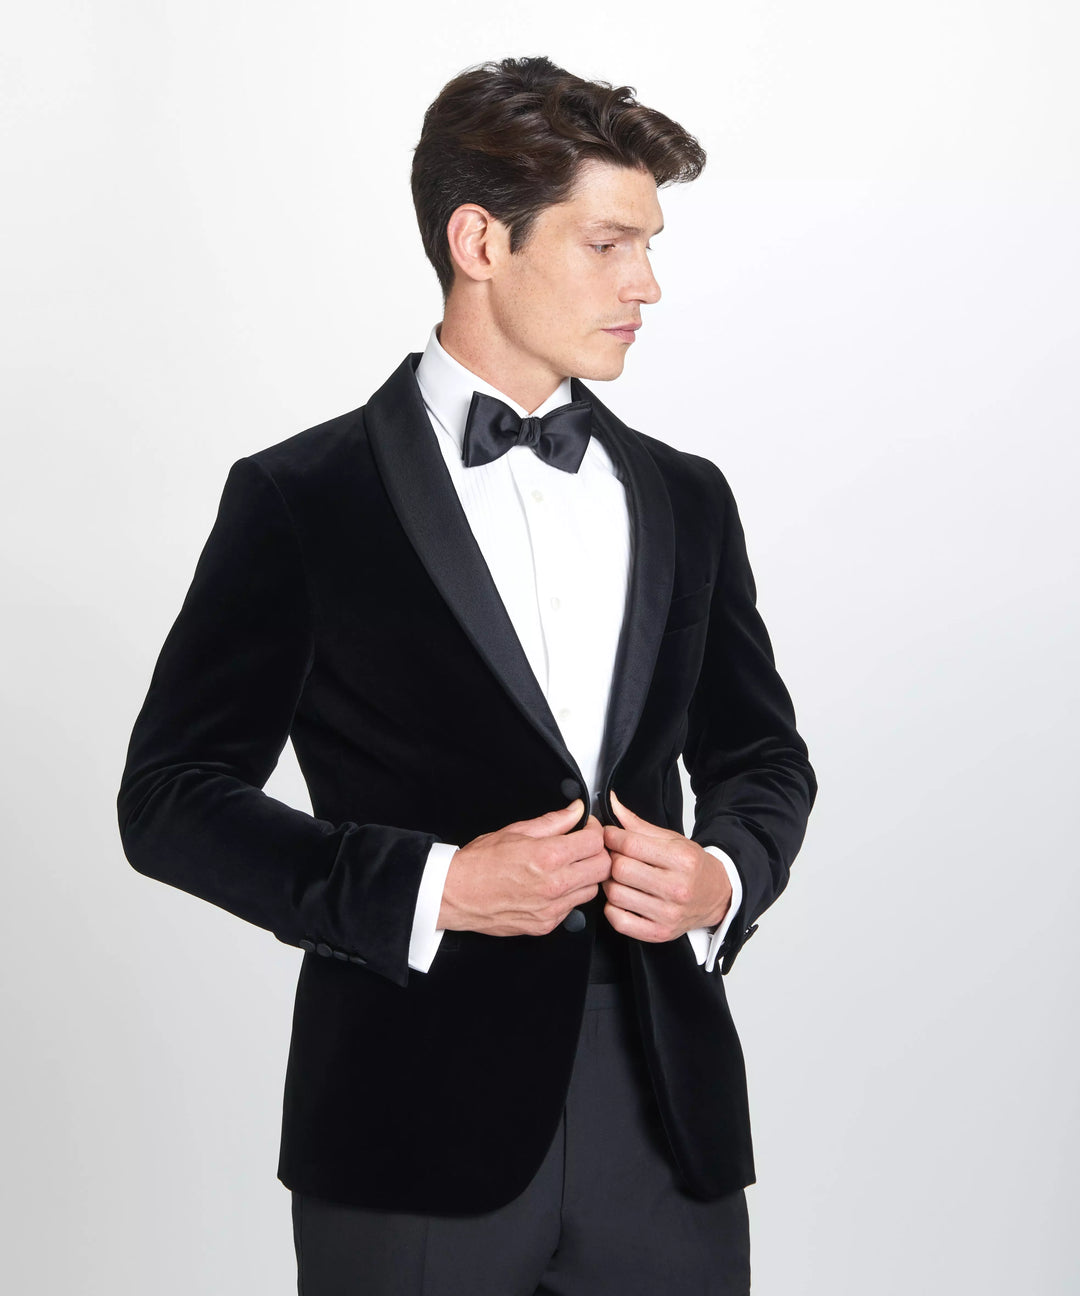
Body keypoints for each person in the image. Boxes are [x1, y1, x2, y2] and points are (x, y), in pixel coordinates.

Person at [117, 55, 816, 1295]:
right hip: (407, 1113)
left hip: (668, 1119)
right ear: (481, 240)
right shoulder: (300, 498)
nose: (647, 285)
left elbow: (762, 756)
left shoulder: (687, 498)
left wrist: (723, 875)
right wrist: (436, 886)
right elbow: (169, 799)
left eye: (649, 246)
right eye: (608, 243)